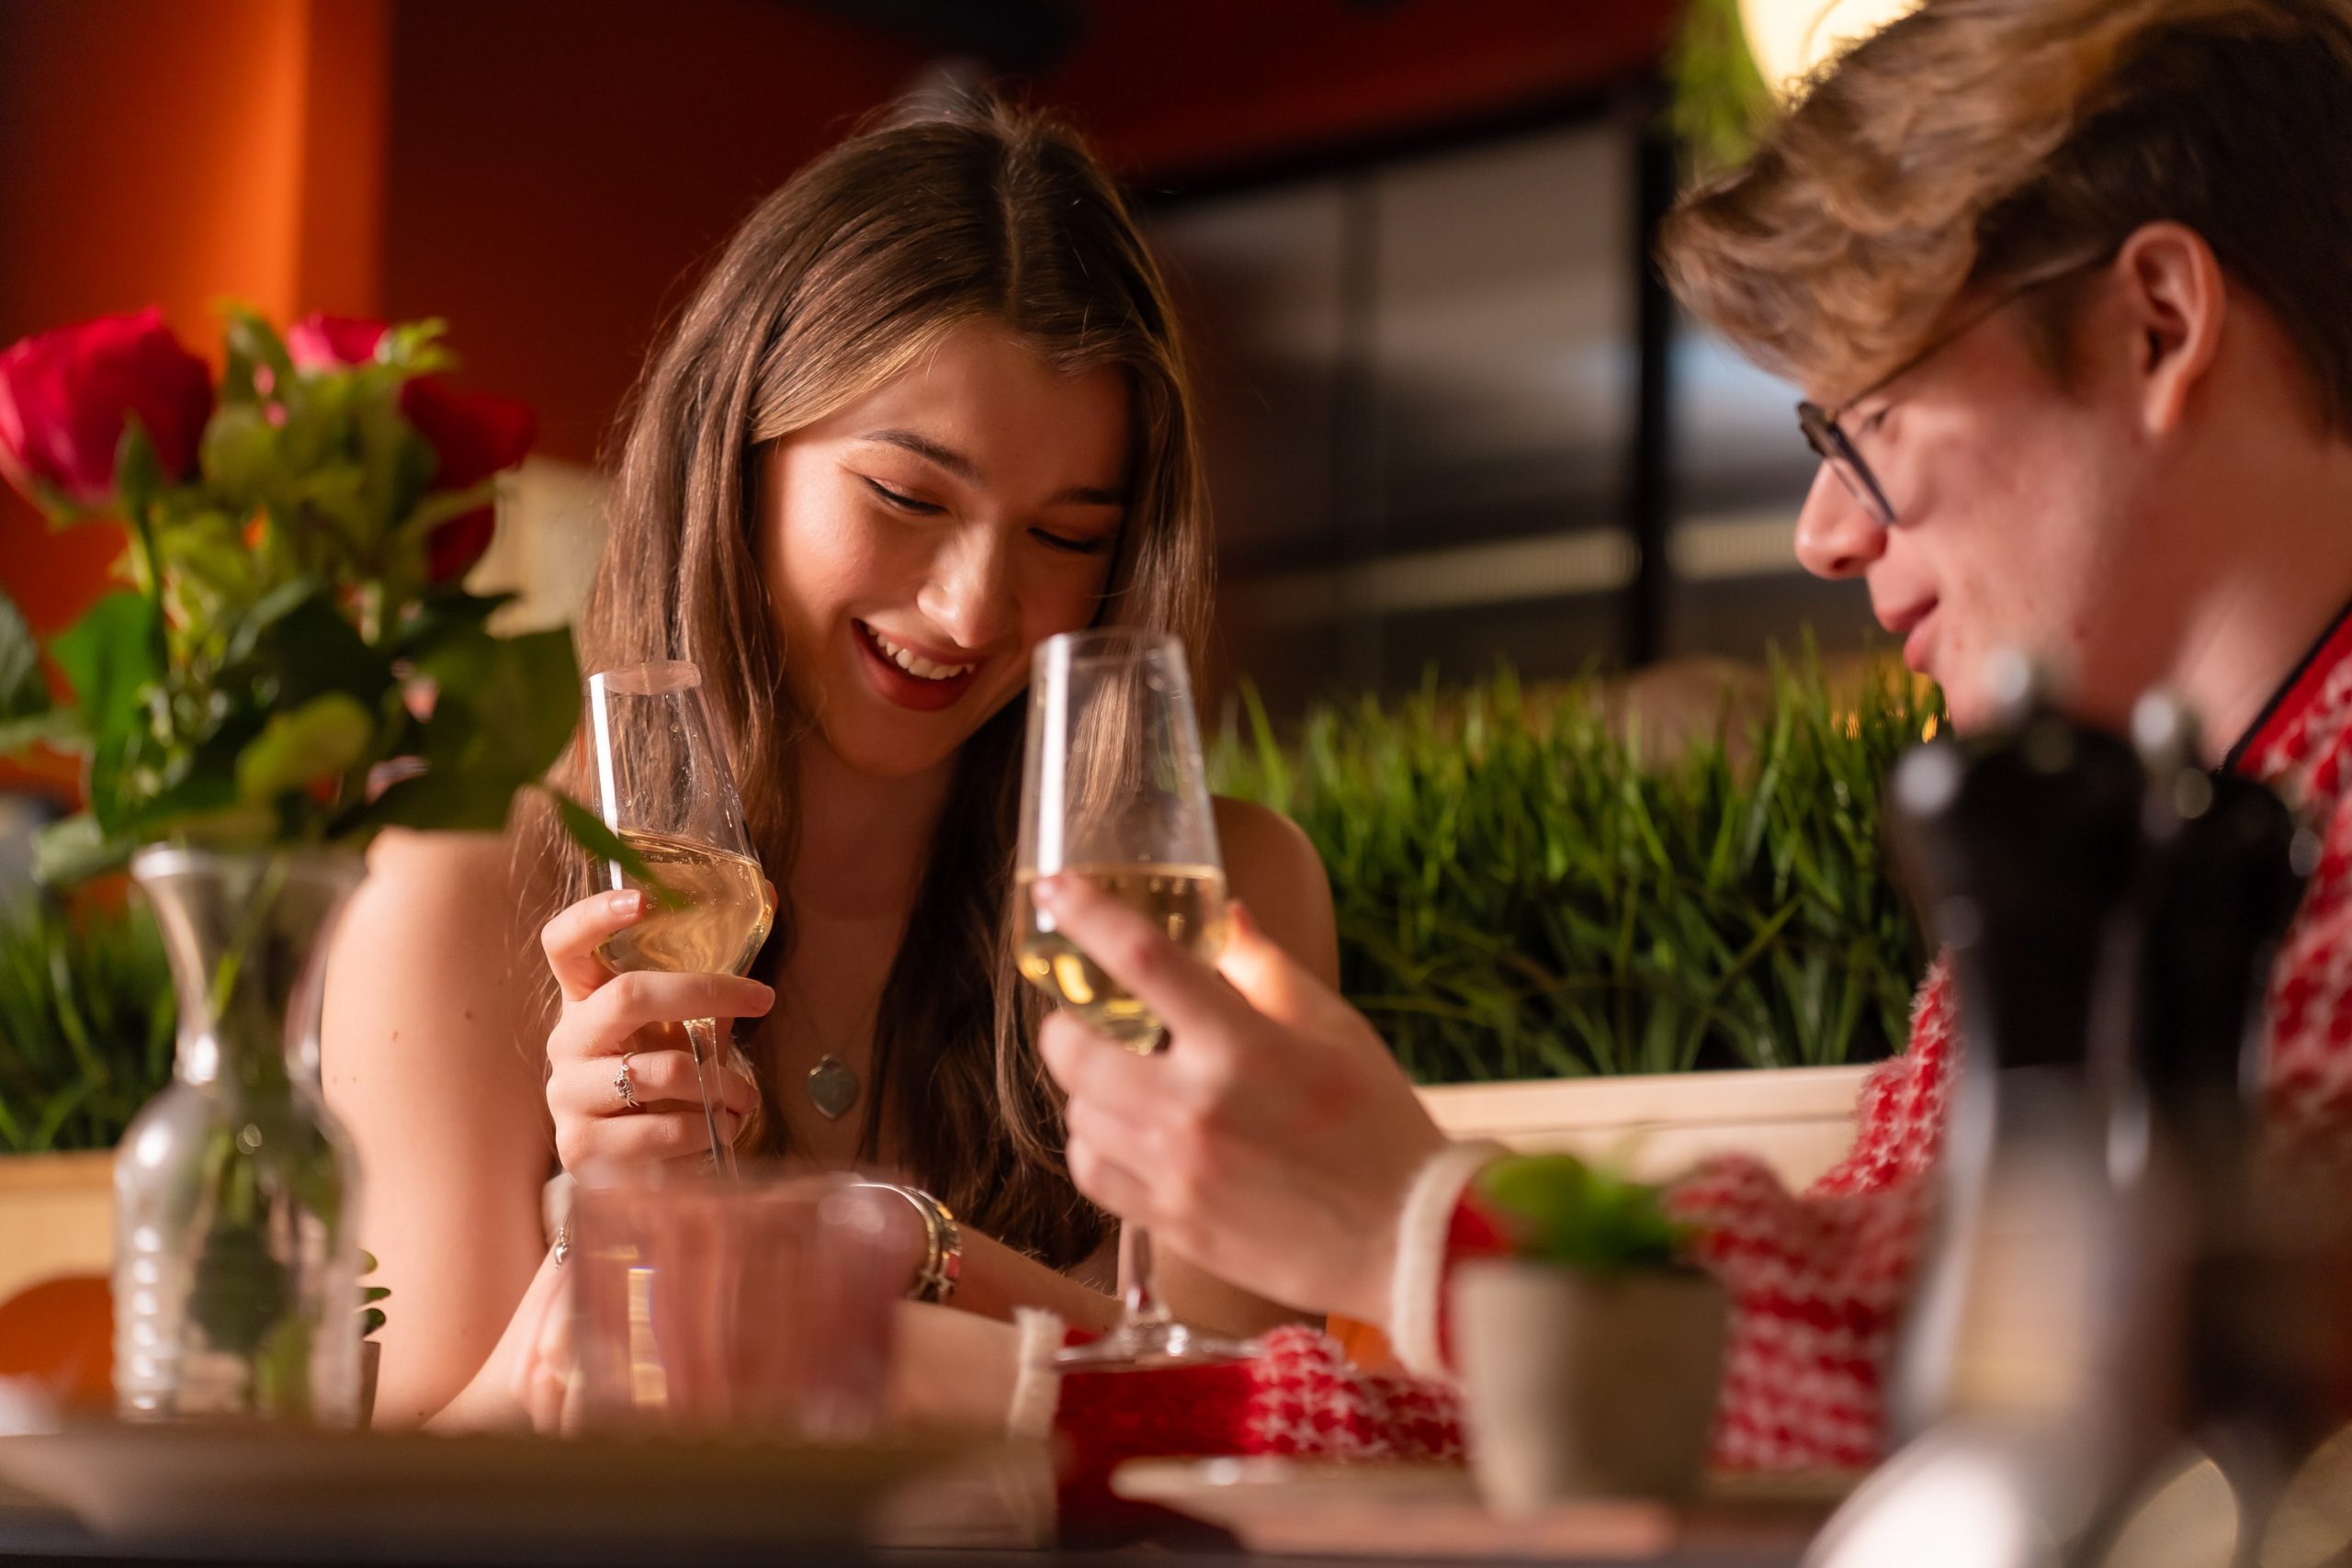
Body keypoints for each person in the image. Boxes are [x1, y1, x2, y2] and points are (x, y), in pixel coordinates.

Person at [1026, 0, 2352, 1473]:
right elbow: (1726, 1403)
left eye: (1868, 420)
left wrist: (1418, 1222)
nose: (1823, 534)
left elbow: (2088, 1394)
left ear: (2156, 324)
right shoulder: (2115, 847)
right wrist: (1037, 1415)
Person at [321, 102, 1336, 1431]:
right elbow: (400, 1515)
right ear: (734, 459)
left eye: (1067, 535)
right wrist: (611, 1272)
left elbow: (1249, 1432)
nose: (976, 609)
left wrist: (893, 1254)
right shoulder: (464, 894)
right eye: (909, 499)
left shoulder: (1212, 893)